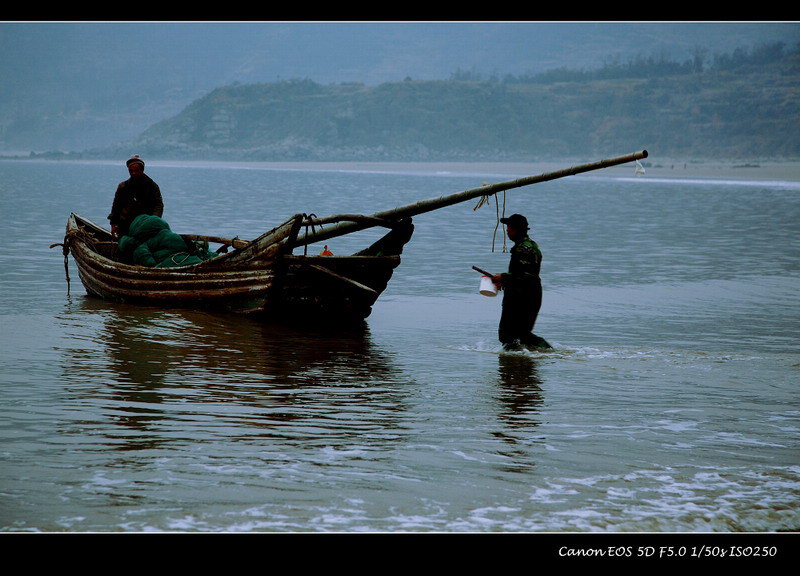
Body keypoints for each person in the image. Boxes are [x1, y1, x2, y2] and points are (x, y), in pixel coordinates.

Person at [491, 213, 552, 351]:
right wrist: (505, 282)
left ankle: (547, 351)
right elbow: (525, 276)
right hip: (532, 294)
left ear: (516, 230)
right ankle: (525, 365)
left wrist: (503, 278)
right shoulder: (533, 245)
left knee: (509, 336)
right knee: (521, 334)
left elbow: (524, 277)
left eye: (509, 228)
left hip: (522, 297)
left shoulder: (522, 249)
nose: (507, 230)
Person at [108, 155, 164, 239]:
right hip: (126, 225)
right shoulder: (123, 186)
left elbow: (158, 205)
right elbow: (116, 207)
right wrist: (113, 224)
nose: (133, 173)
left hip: (145, 225)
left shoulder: (152, 186)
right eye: (131, 171)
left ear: (142, 170)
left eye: (136, 171)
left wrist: (154, 220)